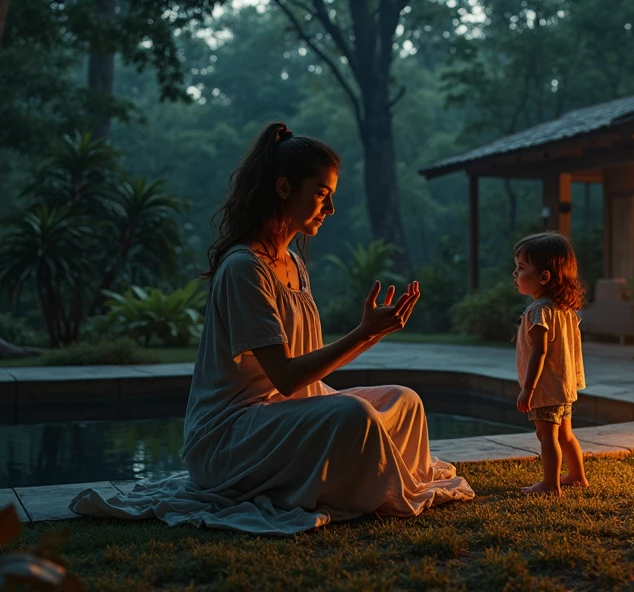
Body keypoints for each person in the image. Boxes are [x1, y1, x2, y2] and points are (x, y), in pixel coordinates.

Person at [70, 122, 473, 534]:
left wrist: (372, 332)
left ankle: (353, 479)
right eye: (321, 193)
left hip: (281, 418)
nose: (330, 208)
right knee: (354, 414)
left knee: (404, 401)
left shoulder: (294, 262)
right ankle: (356, 484)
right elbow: (284, 377)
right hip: (231, 437)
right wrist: (360, 333)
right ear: (283, 189)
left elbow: (303, 379)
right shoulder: (245, 267)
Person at [512, 232, 589, 496]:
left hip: (545, 388)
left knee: (547, 436)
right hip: (562, 385)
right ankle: (577, 476)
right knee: (565, 434)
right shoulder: (564, 310)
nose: (515, 273)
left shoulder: (538, 311)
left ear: (544, 277)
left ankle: (549, 484)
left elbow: (539, 353)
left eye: (521, 268)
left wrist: (528, 389)